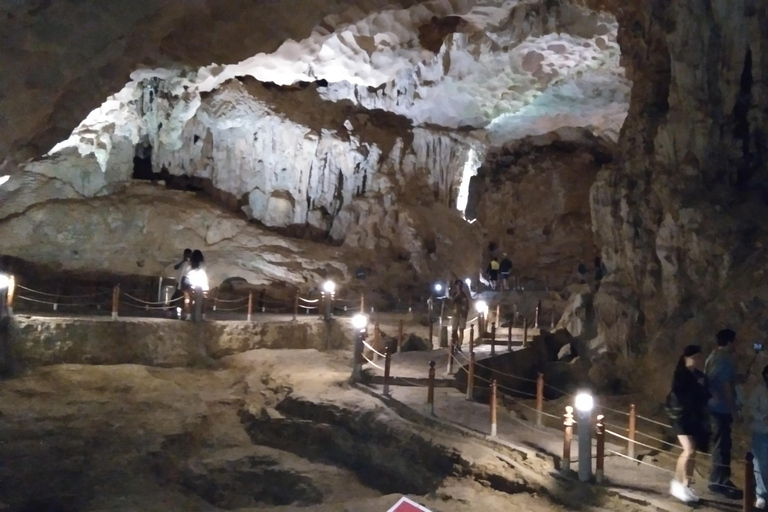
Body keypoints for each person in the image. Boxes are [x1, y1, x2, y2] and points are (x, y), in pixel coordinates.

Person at [667, 345, 711, 503]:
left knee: (693, 452)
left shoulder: (700, 375)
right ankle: (678, 483)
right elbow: (681, 395)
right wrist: (698, 386)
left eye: (700, 357)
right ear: (687, 357)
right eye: (696, 357)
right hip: (681, 417)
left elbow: (705, 395)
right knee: (689, 449)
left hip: (694, 417)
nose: (699, 361)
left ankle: (686, 484)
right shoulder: (681, 374)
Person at [705, 328, 743, 499]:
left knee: (720, 444)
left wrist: (738, 379)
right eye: (735, 341)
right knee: (722, 445)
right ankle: (719, 482)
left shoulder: (711, 358)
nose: (737, 345)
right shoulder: (725, 361)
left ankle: (719, 479)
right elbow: (727, 389)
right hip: (721, 409)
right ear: (729, 342)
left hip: (712, 407)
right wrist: (734, 412)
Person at [750, 364, 768, 510]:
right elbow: (751, 408)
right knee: (760, 465)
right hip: (761, 432)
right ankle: (761, 495)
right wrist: (763, 417)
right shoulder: (758, 391)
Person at [171, 249, 192, 319]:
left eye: (189, 255)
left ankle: (184, 314)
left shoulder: (190, 263)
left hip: (186, 284)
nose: (188, 256)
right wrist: (183, 261)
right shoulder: (181, 261)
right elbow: (175, 267)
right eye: (187, 255)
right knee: (174, 298)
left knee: (185, 300)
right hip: (179, 282)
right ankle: (172, 312)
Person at [450, 280, 470, 351]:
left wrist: (465, 313)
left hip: (462, 315)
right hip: (455, 314)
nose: (459, 286)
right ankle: (455, 343)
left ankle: (459, 345)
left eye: (460, 285)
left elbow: (467, 305)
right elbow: (452, 301)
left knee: (461, 330)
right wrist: (457, 294)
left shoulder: (464, 294)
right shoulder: (453, 293)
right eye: (458, 285)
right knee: (454, 331)